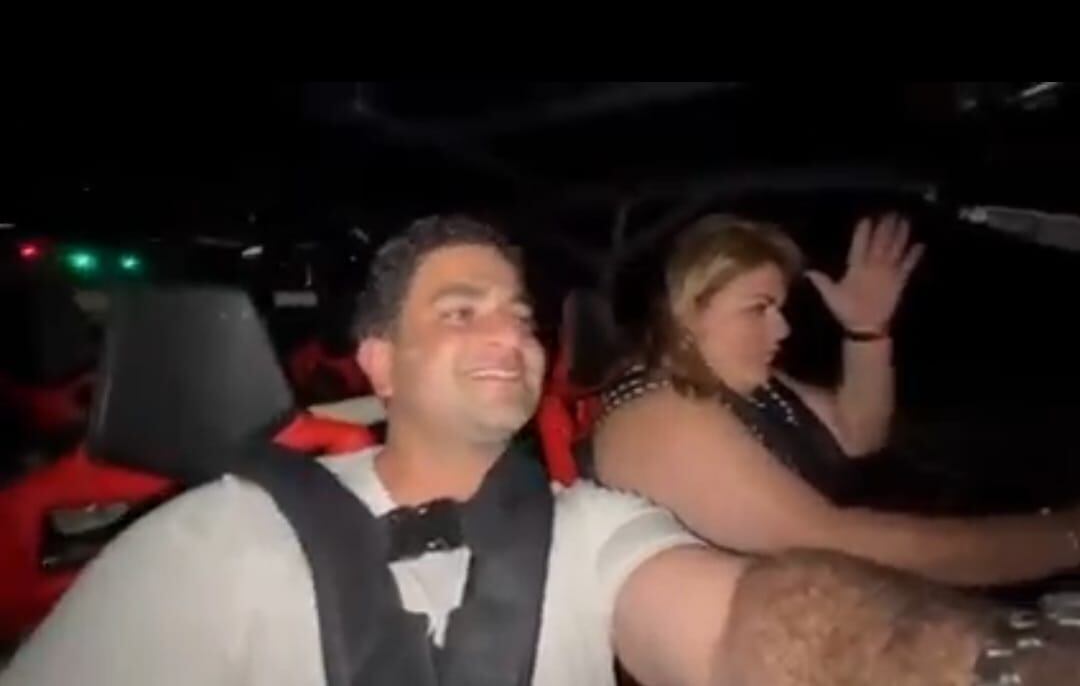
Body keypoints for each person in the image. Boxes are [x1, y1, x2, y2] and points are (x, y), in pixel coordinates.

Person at [4, 216, 1076, 685]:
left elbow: (748, 624)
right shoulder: (215, 537)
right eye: (460, 311)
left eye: (519, 314)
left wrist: (1000, 664)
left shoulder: (591, 528)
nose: (511, 335)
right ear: (378, 363)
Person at [592, 213, 1080, 586]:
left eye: (780, 308)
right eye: (759, 308)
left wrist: (867, 332)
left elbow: (858, 432)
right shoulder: (657, 417)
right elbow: (836, 544)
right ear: (685, 308)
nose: (783, 328)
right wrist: (1061, 540)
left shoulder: (740, 385)